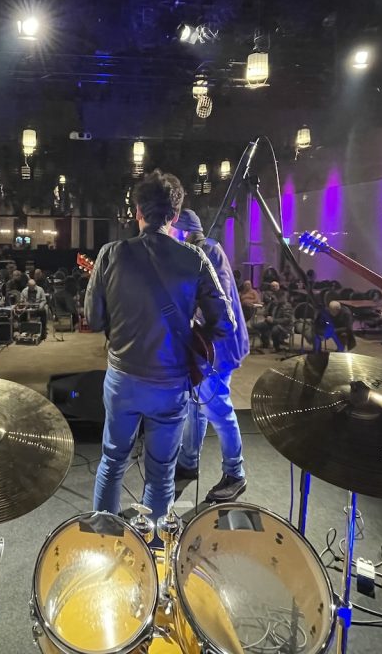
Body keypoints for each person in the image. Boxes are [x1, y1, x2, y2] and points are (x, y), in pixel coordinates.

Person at [84, 171, 234, 526]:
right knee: (161, 472)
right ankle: (152, 542)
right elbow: (225, 323)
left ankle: (104, 535)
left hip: (123, 380)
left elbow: (93, 319)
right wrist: (191, 329)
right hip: (170, 384)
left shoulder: (110, 254)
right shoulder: (195, 259)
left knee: (112, 461)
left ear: (138, 211)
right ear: (175, 214)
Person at [170, 209, 250, 502]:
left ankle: (235, 474)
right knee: (196, 405)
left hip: (218, 350)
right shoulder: (201, 252)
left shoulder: (209, 253)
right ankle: (188, 462)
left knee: (218, 408)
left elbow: (218, 302)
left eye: (172, 231)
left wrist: (187, 313)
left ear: (184, 231)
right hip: (207, 349)